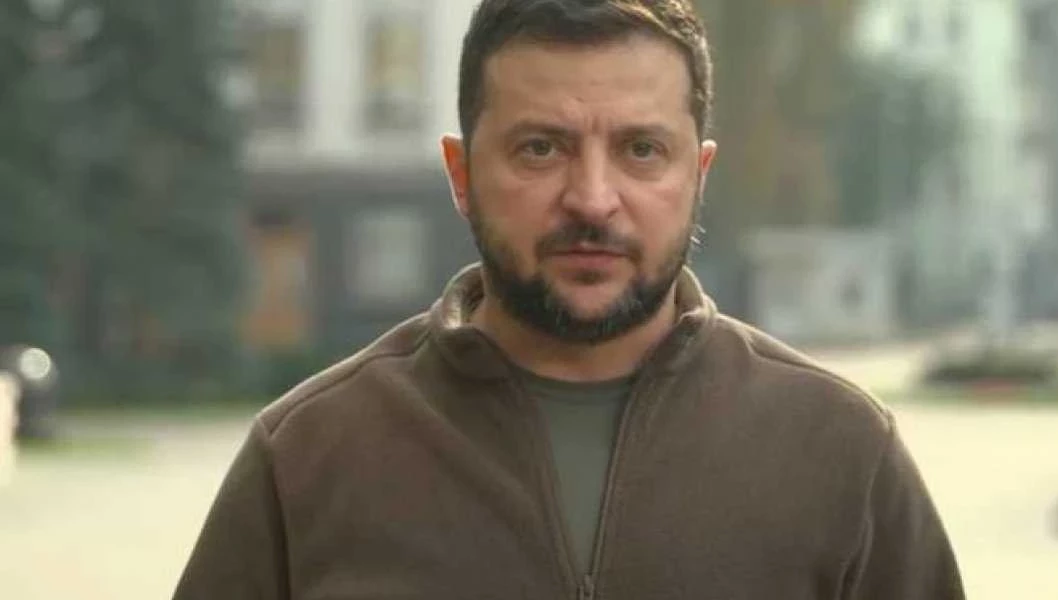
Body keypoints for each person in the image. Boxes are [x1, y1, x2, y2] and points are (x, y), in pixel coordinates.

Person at [173, 1, 964, 598]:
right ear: (461, 174)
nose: (592, 198)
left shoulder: (840, 451)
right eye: (540, 148)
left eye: (641, 149)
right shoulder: (308, 457)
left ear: (698, 176)